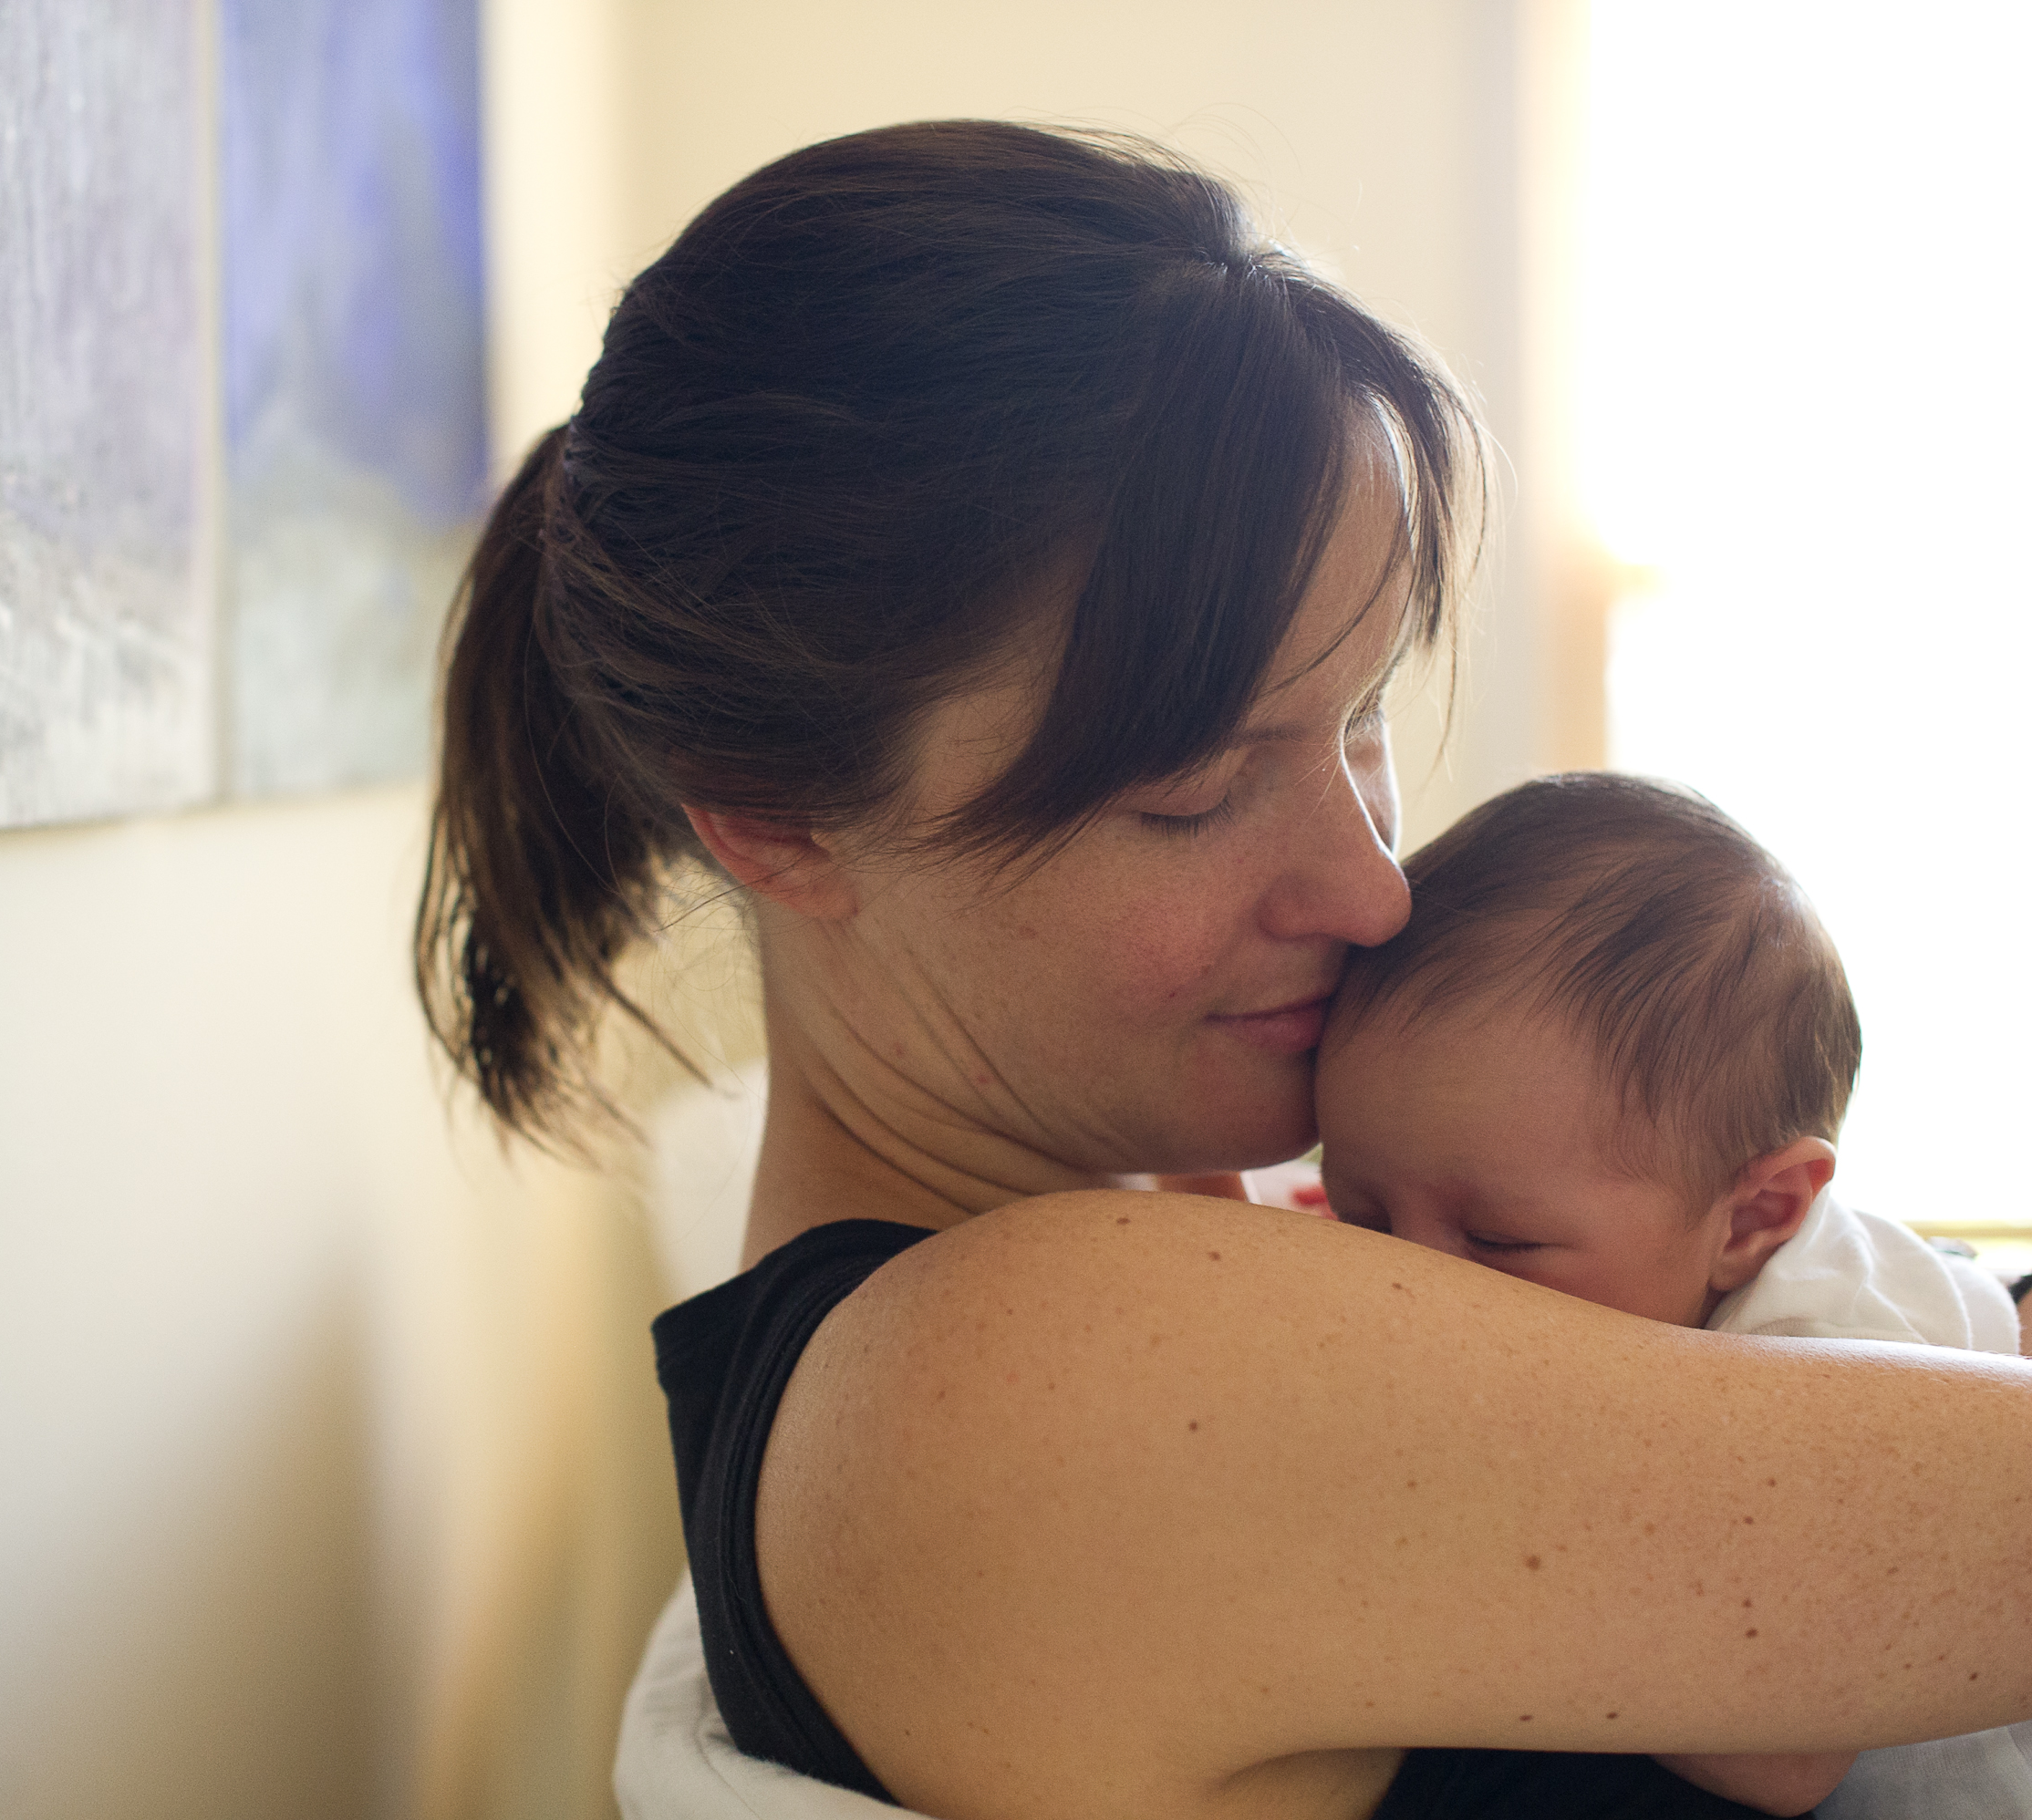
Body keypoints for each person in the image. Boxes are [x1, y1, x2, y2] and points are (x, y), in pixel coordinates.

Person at [417, 119, 2032, 1819]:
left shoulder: (1164, 1268)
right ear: (778, 824)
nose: (1374, 886)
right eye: (1189, 793)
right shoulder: (1021, 1378)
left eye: (1362, 717)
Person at [1314, 771, 2025, 1815]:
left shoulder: (1827, 1343)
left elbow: (1782, 1761)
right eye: (1363, 1216)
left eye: (1502, 1239)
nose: (1409, 1287)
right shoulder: (1597, 1246)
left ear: (1753, 1218)